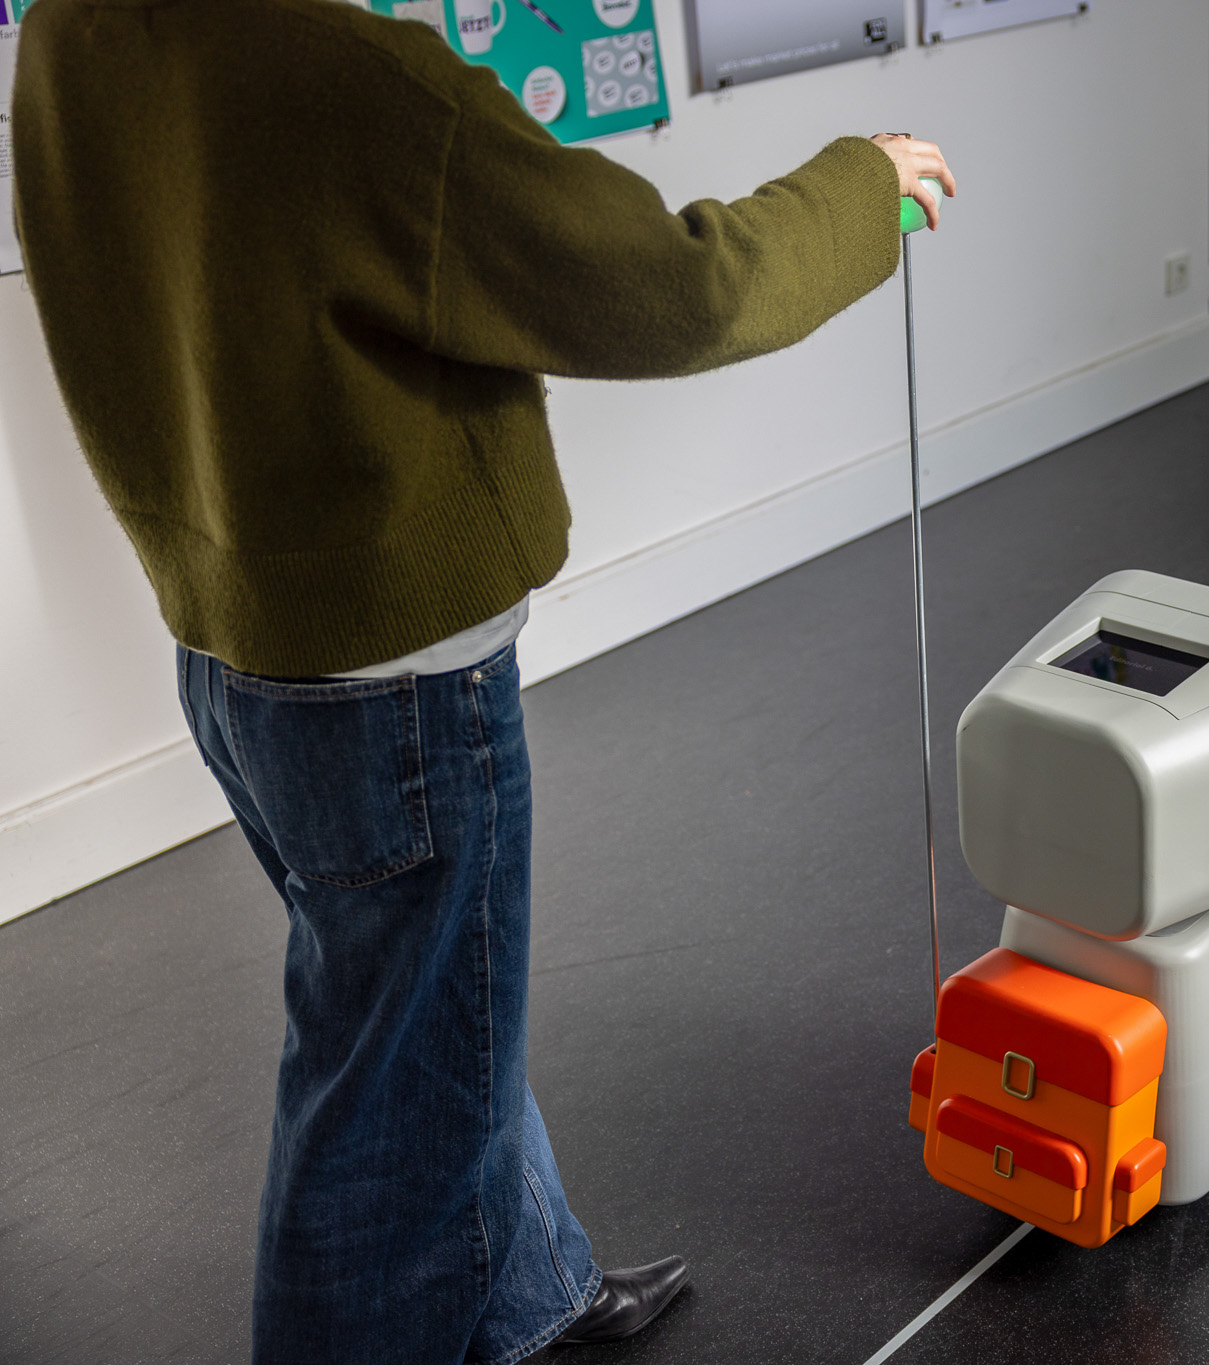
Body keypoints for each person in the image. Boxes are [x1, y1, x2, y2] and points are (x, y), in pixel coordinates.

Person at [12, 0, 954, 1358]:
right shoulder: (356, 78)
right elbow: (678, 288)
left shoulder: (74, 29)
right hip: (391, 690)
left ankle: (530, 1291)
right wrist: (861, 185)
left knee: (434, 1017)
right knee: (390, 1096)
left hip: (231, 651)